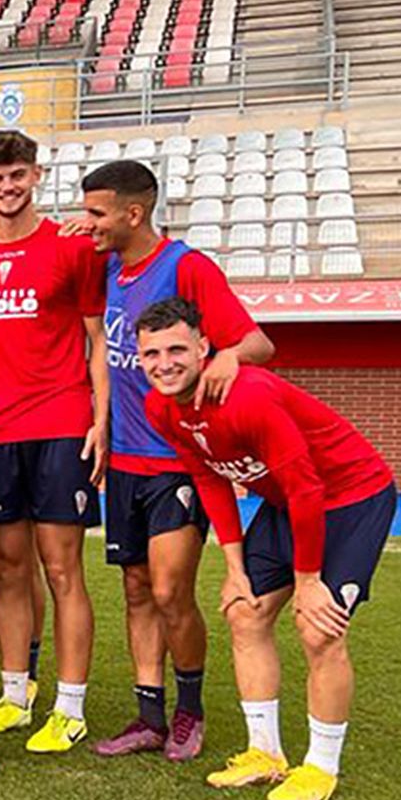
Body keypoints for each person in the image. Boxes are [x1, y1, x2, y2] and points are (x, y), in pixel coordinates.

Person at [138, 297, 396, 800]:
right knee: (244, 611)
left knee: (317, 627)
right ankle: (265, 753)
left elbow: (307, 489)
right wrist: (234, 569)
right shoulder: (160, 408)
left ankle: (321, 766)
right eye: (151, 354)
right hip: (286, 500)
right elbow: (210, 478)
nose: (163, 364)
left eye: (176, 350)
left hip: (349, 495)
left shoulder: (248, 396)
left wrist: (307, 582)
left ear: (203, 349)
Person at [79, 160, 274, 761]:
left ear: (133, 214)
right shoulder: (108, 268)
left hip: (177, 460)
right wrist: (103, 424)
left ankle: (190, 713)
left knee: (169, 590)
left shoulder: (185, 266)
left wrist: (228, 359)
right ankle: (148, 717)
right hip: (126, 463)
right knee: (136, 589)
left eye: (96, 214)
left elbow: (258, 343)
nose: (88, 225)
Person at [0, 130, 109, 753]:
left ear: (36, 176)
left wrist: (100, 419)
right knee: (8, 569)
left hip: (59, 423)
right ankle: (15, 694)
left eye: (16, 175)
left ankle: (70, 705)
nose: (7, 187)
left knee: (62, 569)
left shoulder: (70, 248)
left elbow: (98, 337)